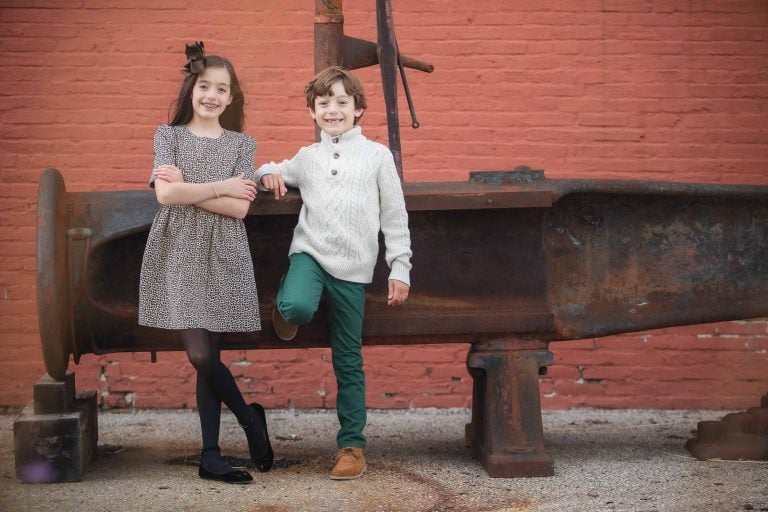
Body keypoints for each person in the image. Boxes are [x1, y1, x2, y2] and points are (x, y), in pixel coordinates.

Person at [256, 66, 412, 480]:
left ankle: (352, 448)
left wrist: (400, 266)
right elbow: (274, 168)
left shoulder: (378, 156)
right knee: (297, 306)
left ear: (358, 109)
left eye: (342, 102)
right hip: (311, 254)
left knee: (348, 360)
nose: (333, 110)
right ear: (312, 111)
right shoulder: (309, 158)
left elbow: (395, 216)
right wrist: (267, 172)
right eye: (324, 103)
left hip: (354, 269)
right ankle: (288, 307)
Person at [138, 41, 273, 484]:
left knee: (209, 354)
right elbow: (165, 195)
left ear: (231, 97)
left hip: (223, 253)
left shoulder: (242, 144)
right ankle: (249, 419)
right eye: (204, 86)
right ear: (191, 89)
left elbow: (239, 211)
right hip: (178, 251)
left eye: (222, 89)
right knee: (199, 354)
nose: (211, 96)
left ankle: (210, 456)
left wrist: (191, 187)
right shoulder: (168, 135)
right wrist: (222, 185)